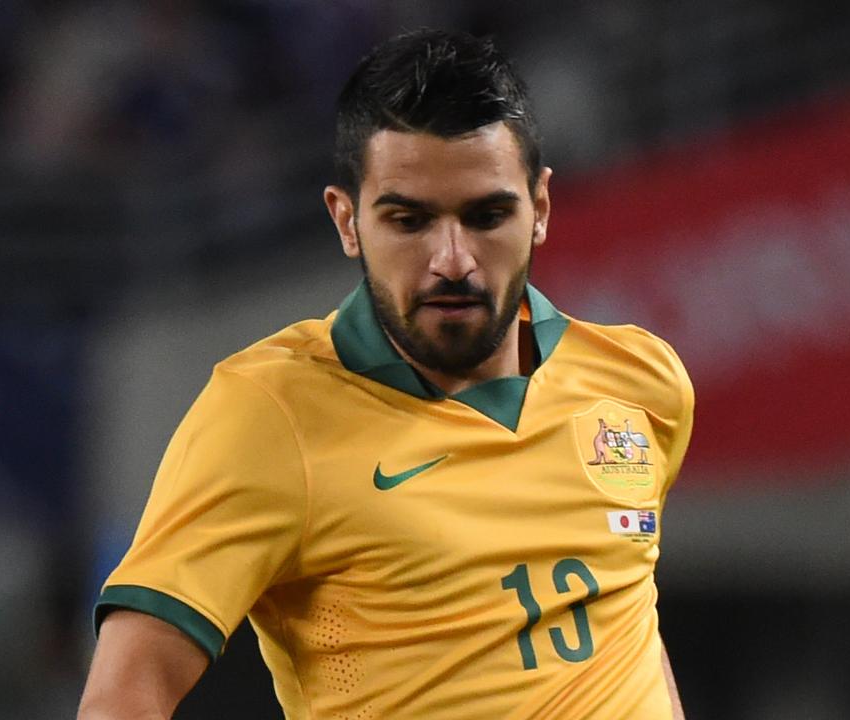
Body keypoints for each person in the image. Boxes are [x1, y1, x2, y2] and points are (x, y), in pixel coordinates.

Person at [77, 28, 694, 720]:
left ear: (540, 208)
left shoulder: (640, 380)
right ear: (347, 221)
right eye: (409, 220)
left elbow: (624, 618)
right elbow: (127, 691)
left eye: (487, 215)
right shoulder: (269, 412)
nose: (452, 259)